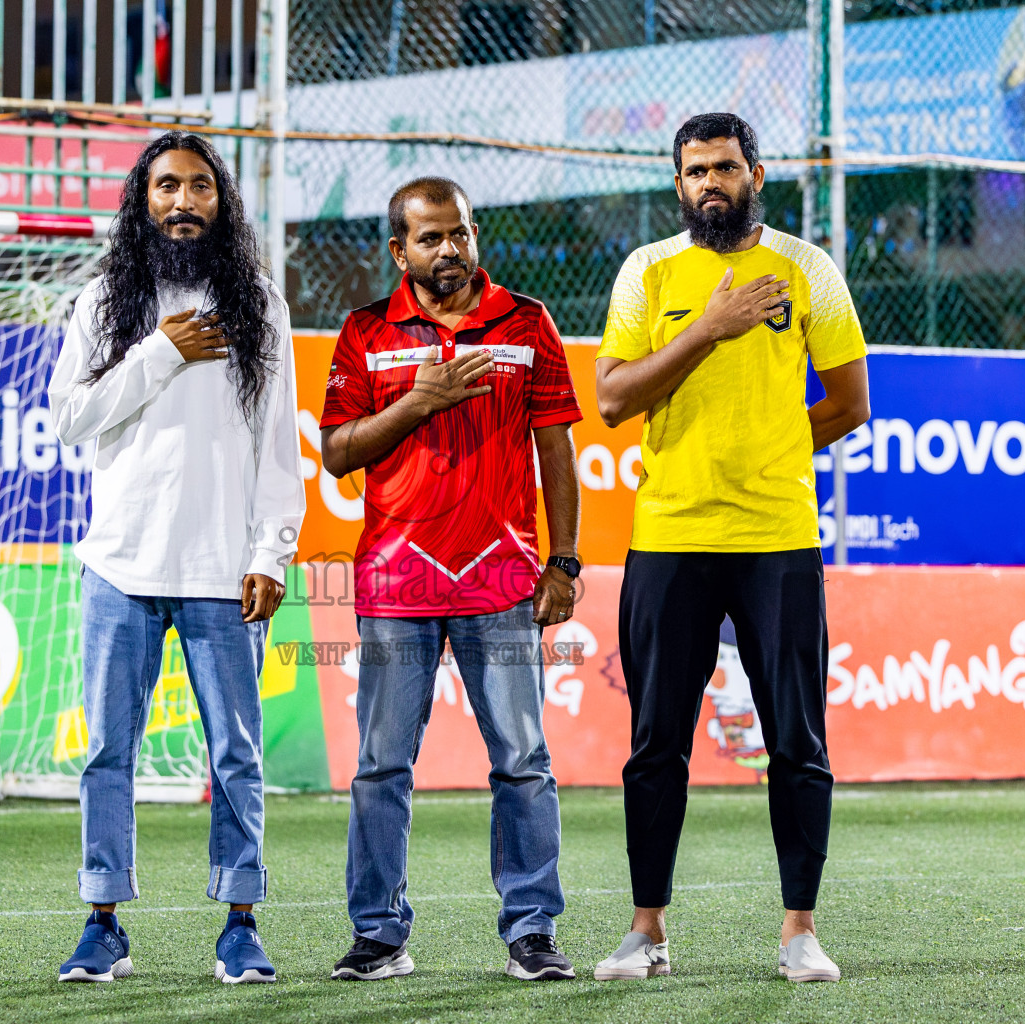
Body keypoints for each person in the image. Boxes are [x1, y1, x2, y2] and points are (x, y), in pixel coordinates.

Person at [591, 112, 870, 984]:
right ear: (677, 184)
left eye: (722, 168)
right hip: (670, 533)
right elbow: (611, 398)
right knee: (655, 743)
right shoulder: (648, 271)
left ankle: (799, 934)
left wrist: (778, 451)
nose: (707, 183)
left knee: (797, 740)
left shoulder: (806, 269)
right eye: (693, 172)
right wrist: (707, 327)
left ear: (756, 171)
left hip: (776, 541)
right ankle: (648, 931)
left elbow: (851, 401)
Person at [47, 131, 305, 985]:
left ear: (221, 202)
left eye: (200, 186)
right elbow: (71, 419)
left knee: (236, 755)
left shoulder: (259, 303)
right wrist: (160, 351)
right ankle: (102, 922)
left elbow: (278, 447)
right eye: (167, 186)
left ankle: (239, 922)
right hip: (120, 568)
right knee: (107, 754)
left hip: (223, 571)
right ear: (143, 199)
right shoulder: (105, 300)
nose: (183, 201)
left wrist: (271, 551)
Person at [318, 177, 584, 982]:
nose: (449, 250)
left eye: (459, 234)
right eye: (430, 238)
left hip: (501, 583)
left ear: (475, 236)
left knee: (523, 761)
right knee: (380, 767)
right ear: (400, 250)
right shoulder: (365, 332)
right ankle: (378, 936)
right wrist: (416, 404)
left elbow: (558, 456)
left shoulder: (527, 321)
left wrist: (563, 563)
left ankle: (532, 931)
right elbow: (336, 453)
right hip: (397, 585)